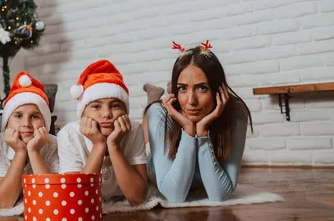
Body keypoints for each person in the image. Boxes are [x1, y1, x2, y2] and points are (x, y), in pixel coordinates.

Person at [144, 41, 252, 203]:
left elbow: (219, 195)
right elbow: (174, 195)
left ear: (218, 89)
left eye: (202, 88)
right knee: (151, 112)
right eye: (182, 89)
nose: (192, 101)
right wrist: (188, 129)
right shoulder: (160, 113)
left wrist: (201, 133)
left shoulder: (236, 112)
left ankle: (173, 88)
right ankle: (154, 96)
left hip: (198, 121)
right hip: (153, 155)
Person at [57, 60, 148, 206]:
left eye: (115, 105)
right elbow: (76, 201)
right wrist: (98, 145)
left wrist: (114, 146)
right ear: (82, 113)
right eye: (96, 106)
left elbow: (137, 198)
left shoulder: (134, 130)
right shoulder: (68, 135)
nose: (106, 114)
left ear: (125, 111)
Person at [0, 72, 58, 208]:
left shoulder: (53, 143)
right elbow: (5, 203)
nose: (26, 123)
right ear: (7, 123)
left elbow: (51, 198)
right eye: (18, 116)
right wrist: (20, 152)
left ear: (45, 123)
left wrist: (33, 151)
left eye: (34, 117)